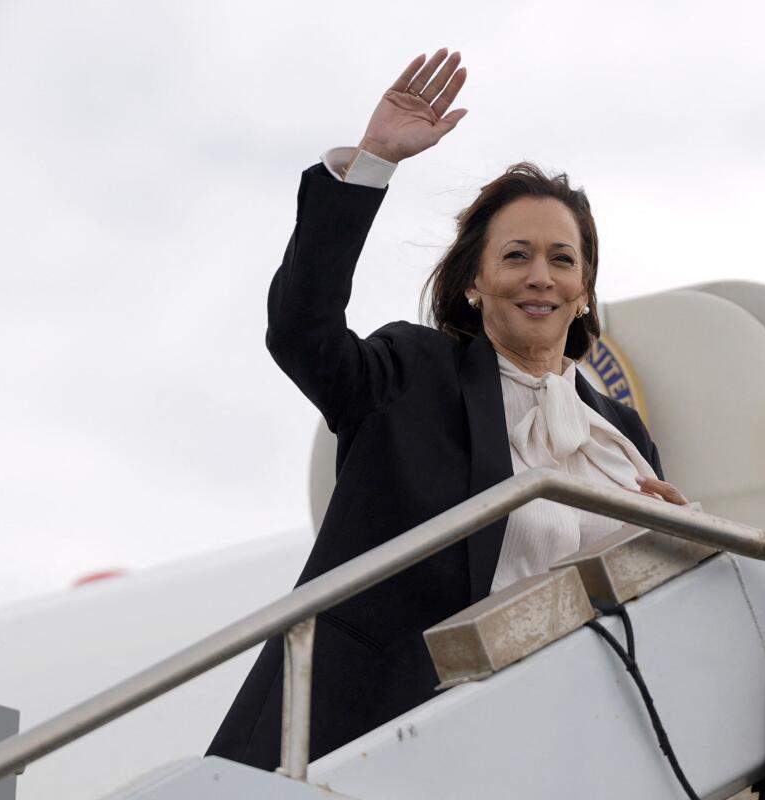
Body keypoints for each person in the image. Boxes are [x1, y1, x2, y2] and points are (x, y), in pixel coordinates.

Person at [207, 47, 689, 771]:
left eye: (563, 259)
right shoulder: (413, 372)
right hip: (362, 739)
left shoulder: (620, 439)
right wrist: (372, 162)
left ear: (585, 288)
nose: (540, 276)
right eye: (516, 255)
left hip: (551, 749)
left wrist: (678, 542)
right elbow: (301, 332)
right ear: (473, 282)